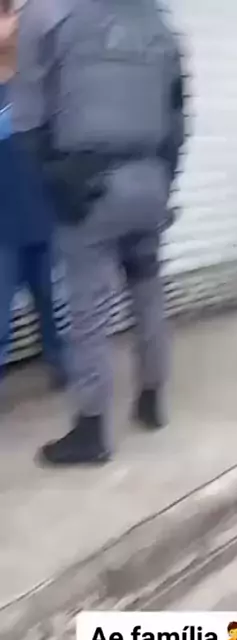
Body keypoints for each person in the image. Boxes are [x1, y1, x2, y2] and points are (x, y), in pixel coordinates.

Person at [11, 0, 185, 465]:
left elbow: (26, 116)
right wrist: (163, 181)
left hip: (88, 184)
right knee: (147, 291)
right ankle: (152, 398)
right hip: (148, 179)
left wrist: (52, 179)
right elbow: (177, 119)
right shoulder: (158, 22)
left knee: (88, 309)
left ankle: (91, 431)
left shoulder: (48, 13)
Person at [0, 0, 65, 388]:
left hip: (42, 214)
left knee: (51, 303)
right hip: (3, 225)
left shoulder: (35, 79)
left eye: (5, 14)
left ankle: (65, 369)